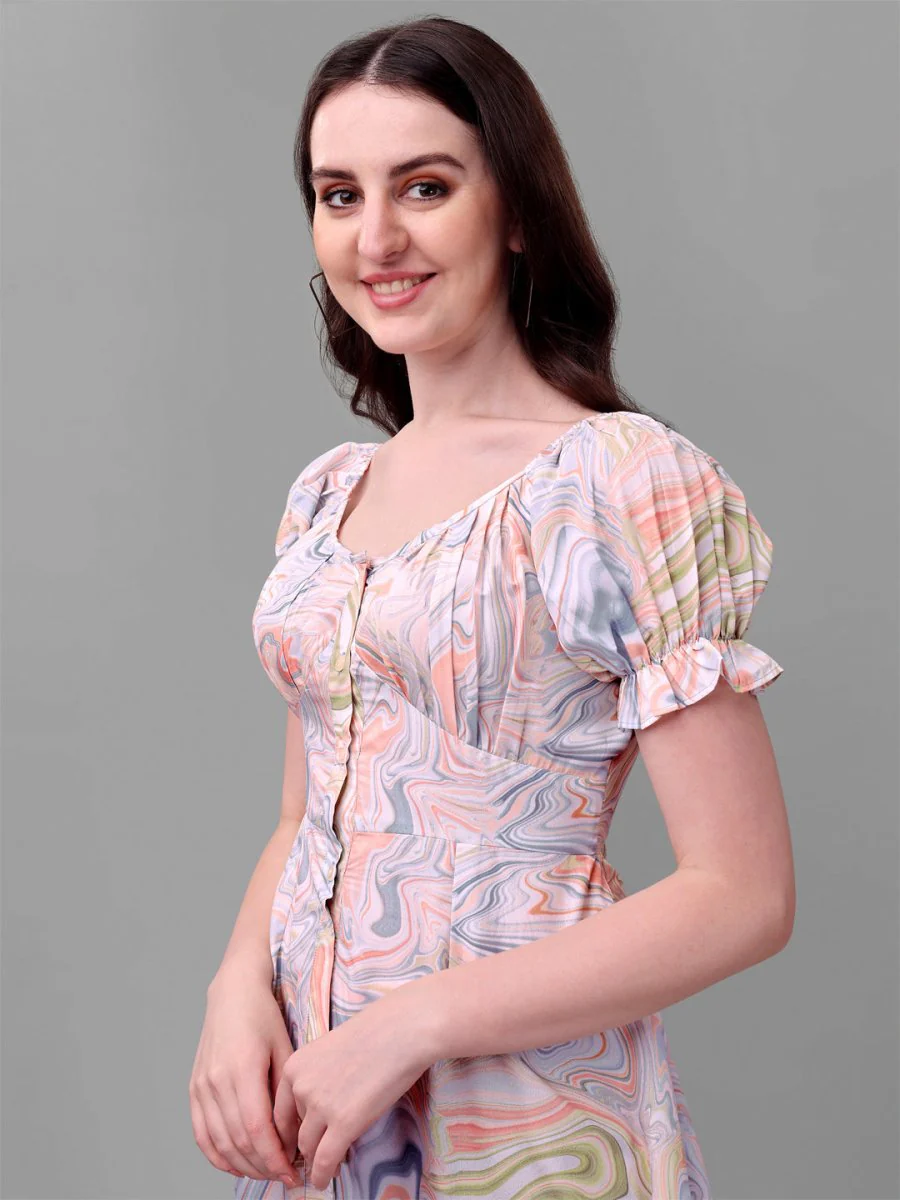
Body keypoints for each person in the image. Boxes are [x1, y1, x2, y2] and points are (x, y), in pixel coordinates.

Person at [190, 15, 794, 1199]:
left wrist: (411, 1024)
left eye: (424, 186)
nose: (377, 237)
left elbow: (744, 894)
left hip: (529, 1113)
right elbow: (305, 817)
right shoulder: (326, 497)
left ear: (516, 210)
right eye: (339, 195)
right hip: (321, 1100)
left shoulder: (620, 481)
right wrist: (233, 993)